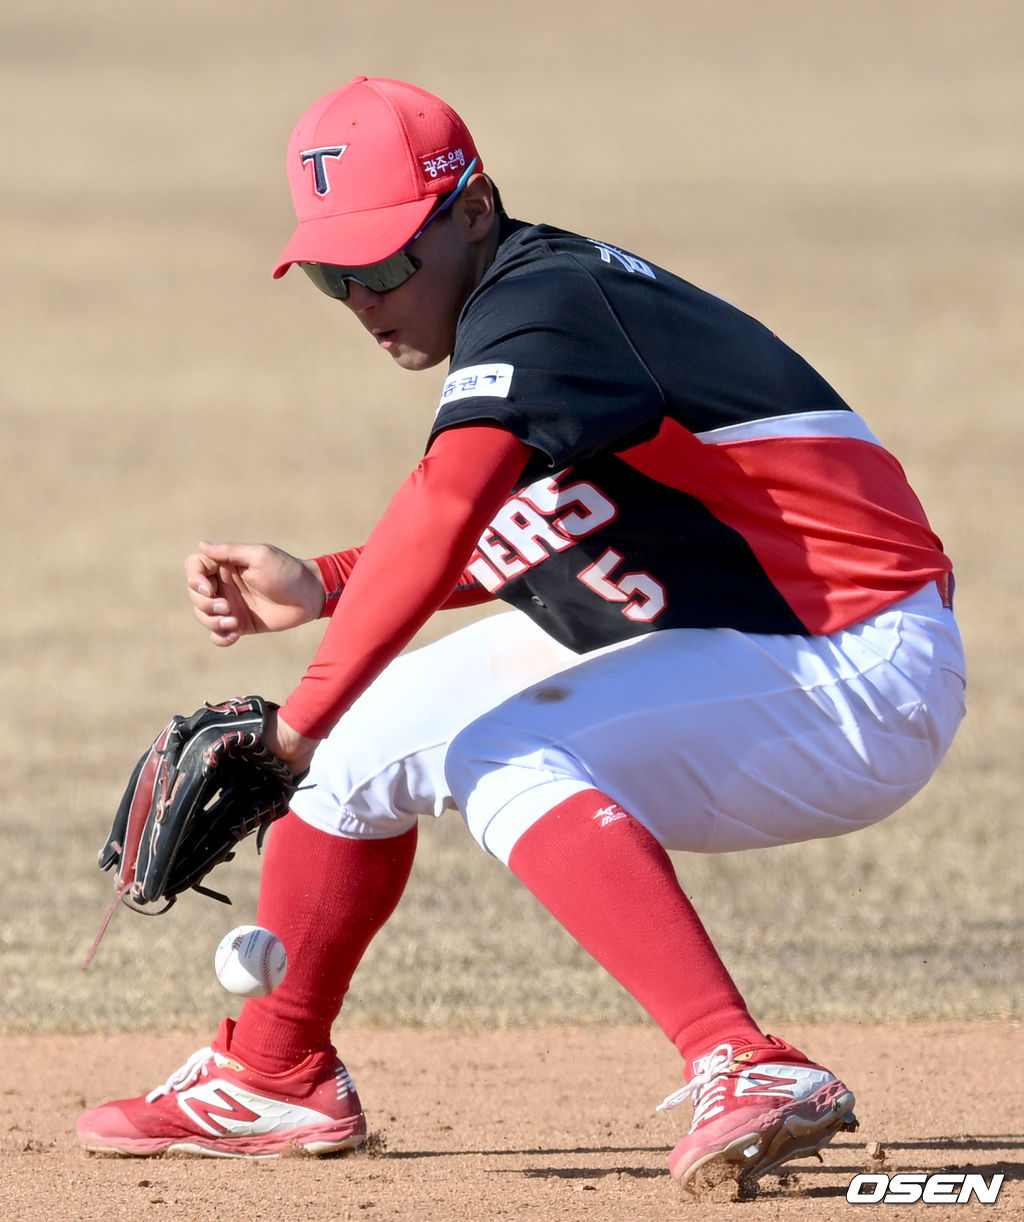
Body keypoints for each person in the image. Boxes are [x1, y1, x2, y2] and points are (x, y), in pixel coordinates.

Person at [76, 77, 966, 1192]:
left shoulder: (544, 307)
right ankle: (274, 1072)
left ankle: (742, 1062)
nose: (363, 295)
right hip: (755, 639)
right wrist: (326, 586)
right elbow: (537, 526)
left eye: (387, 261)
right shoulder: (537, 316)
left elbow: (448, 510)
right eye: (330, 274)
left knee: (497, 753)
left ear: (474, 209)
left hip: (858, 665)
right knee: (363, 743)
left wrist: (291, 725)